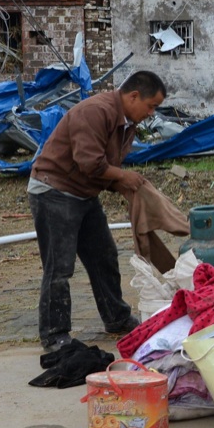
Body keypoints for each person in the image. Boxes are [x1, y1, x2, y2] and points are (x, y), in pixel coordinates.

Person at [28, 70, 167, 352]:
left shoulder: (126, 123)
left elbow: (103, 169)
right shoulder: (96, 112)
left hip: (82, 193)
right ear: (134, 96)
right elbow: (89, 163)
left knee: (103, 256)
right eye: (151, 106)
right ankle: (55, 335)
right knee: (60, 267)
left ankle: (116, 318)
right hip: (54, 190)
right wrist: (124, 178)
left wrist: (126, 188)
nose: (152, 113)